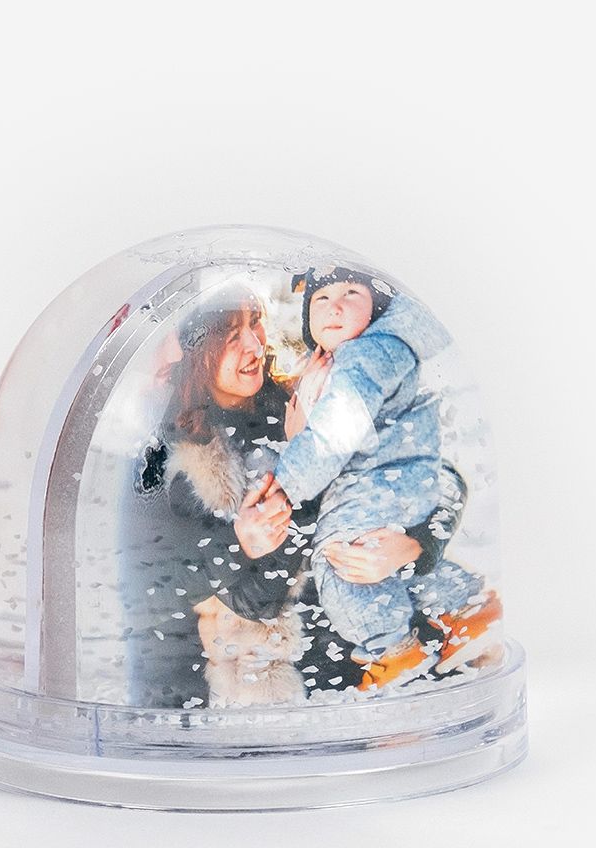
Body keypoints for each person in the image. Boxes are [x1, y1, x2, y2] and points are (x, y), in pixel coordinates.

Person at [146, 282, 478, 706]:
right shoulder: (187, 466)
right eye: (231, 337)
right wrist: (246, 537)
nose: (255, 345)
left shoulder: (314, 389)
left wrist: (413, 546)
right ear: (198, 353)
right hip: (305, 687)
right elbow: (257, 600)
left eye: (256, 324)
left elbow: (438, 476)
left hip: (404, 648)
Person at [273, 268, 497, 681]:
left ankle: (401, 650)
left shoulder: (365, 362)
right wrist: (296, 438)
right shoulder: (305, 388)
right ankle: (463, 611)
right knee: (360, 558)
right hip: (325, 654)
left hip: (379, 520)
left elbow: (443, 477)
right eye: (321, 299)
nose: (335, 307)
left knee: (346, 557)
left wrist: (415, 546)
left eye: (350, 294)